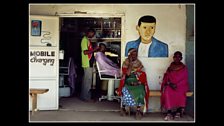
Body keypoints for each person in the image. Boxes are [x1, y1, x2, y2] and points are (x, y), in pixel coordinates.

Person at [116, 48, 150, 120]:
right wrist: (130, 63)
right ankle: (126, 108)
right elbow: (127, 74)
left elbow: (143, 74)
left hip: (137, 81)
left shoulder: (139, 63)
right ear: (129, 55)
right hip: (128, 81)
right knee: (125, 89)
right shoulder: (125, 63)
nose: (134, 56)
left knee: (141, 89)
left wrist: (138, 82)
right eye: (132, 54)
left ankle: (138, 110)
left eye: (136, 54)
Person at [160, 51, 189, 121]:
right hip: (170, 85)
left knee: (181, 92)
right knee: (167, 92)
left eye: (179, 57)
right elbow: (166, 78)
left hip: (181, 85)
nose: (177, 58)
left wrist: (177, 85)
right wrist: (170, 84)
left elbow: (185, 79)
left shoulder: (184, 68)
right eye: (175, 57)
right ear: (173, 58)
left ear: (181, 58)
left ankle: (178, 111)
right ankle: (169, 112)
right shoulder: (170, 67)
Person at [80, 28, 99, 101]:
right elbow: (85, 52)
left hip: (89, 62)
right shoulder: (84, 40)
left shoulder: (87, 40)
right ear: (89, 32)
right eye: (93, 34)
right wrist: (95, 49)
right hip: (87, 63)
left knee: (87, 80)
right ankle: (85, 97)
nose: (93, 35)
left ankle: (85, 96)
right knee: (87, 81)